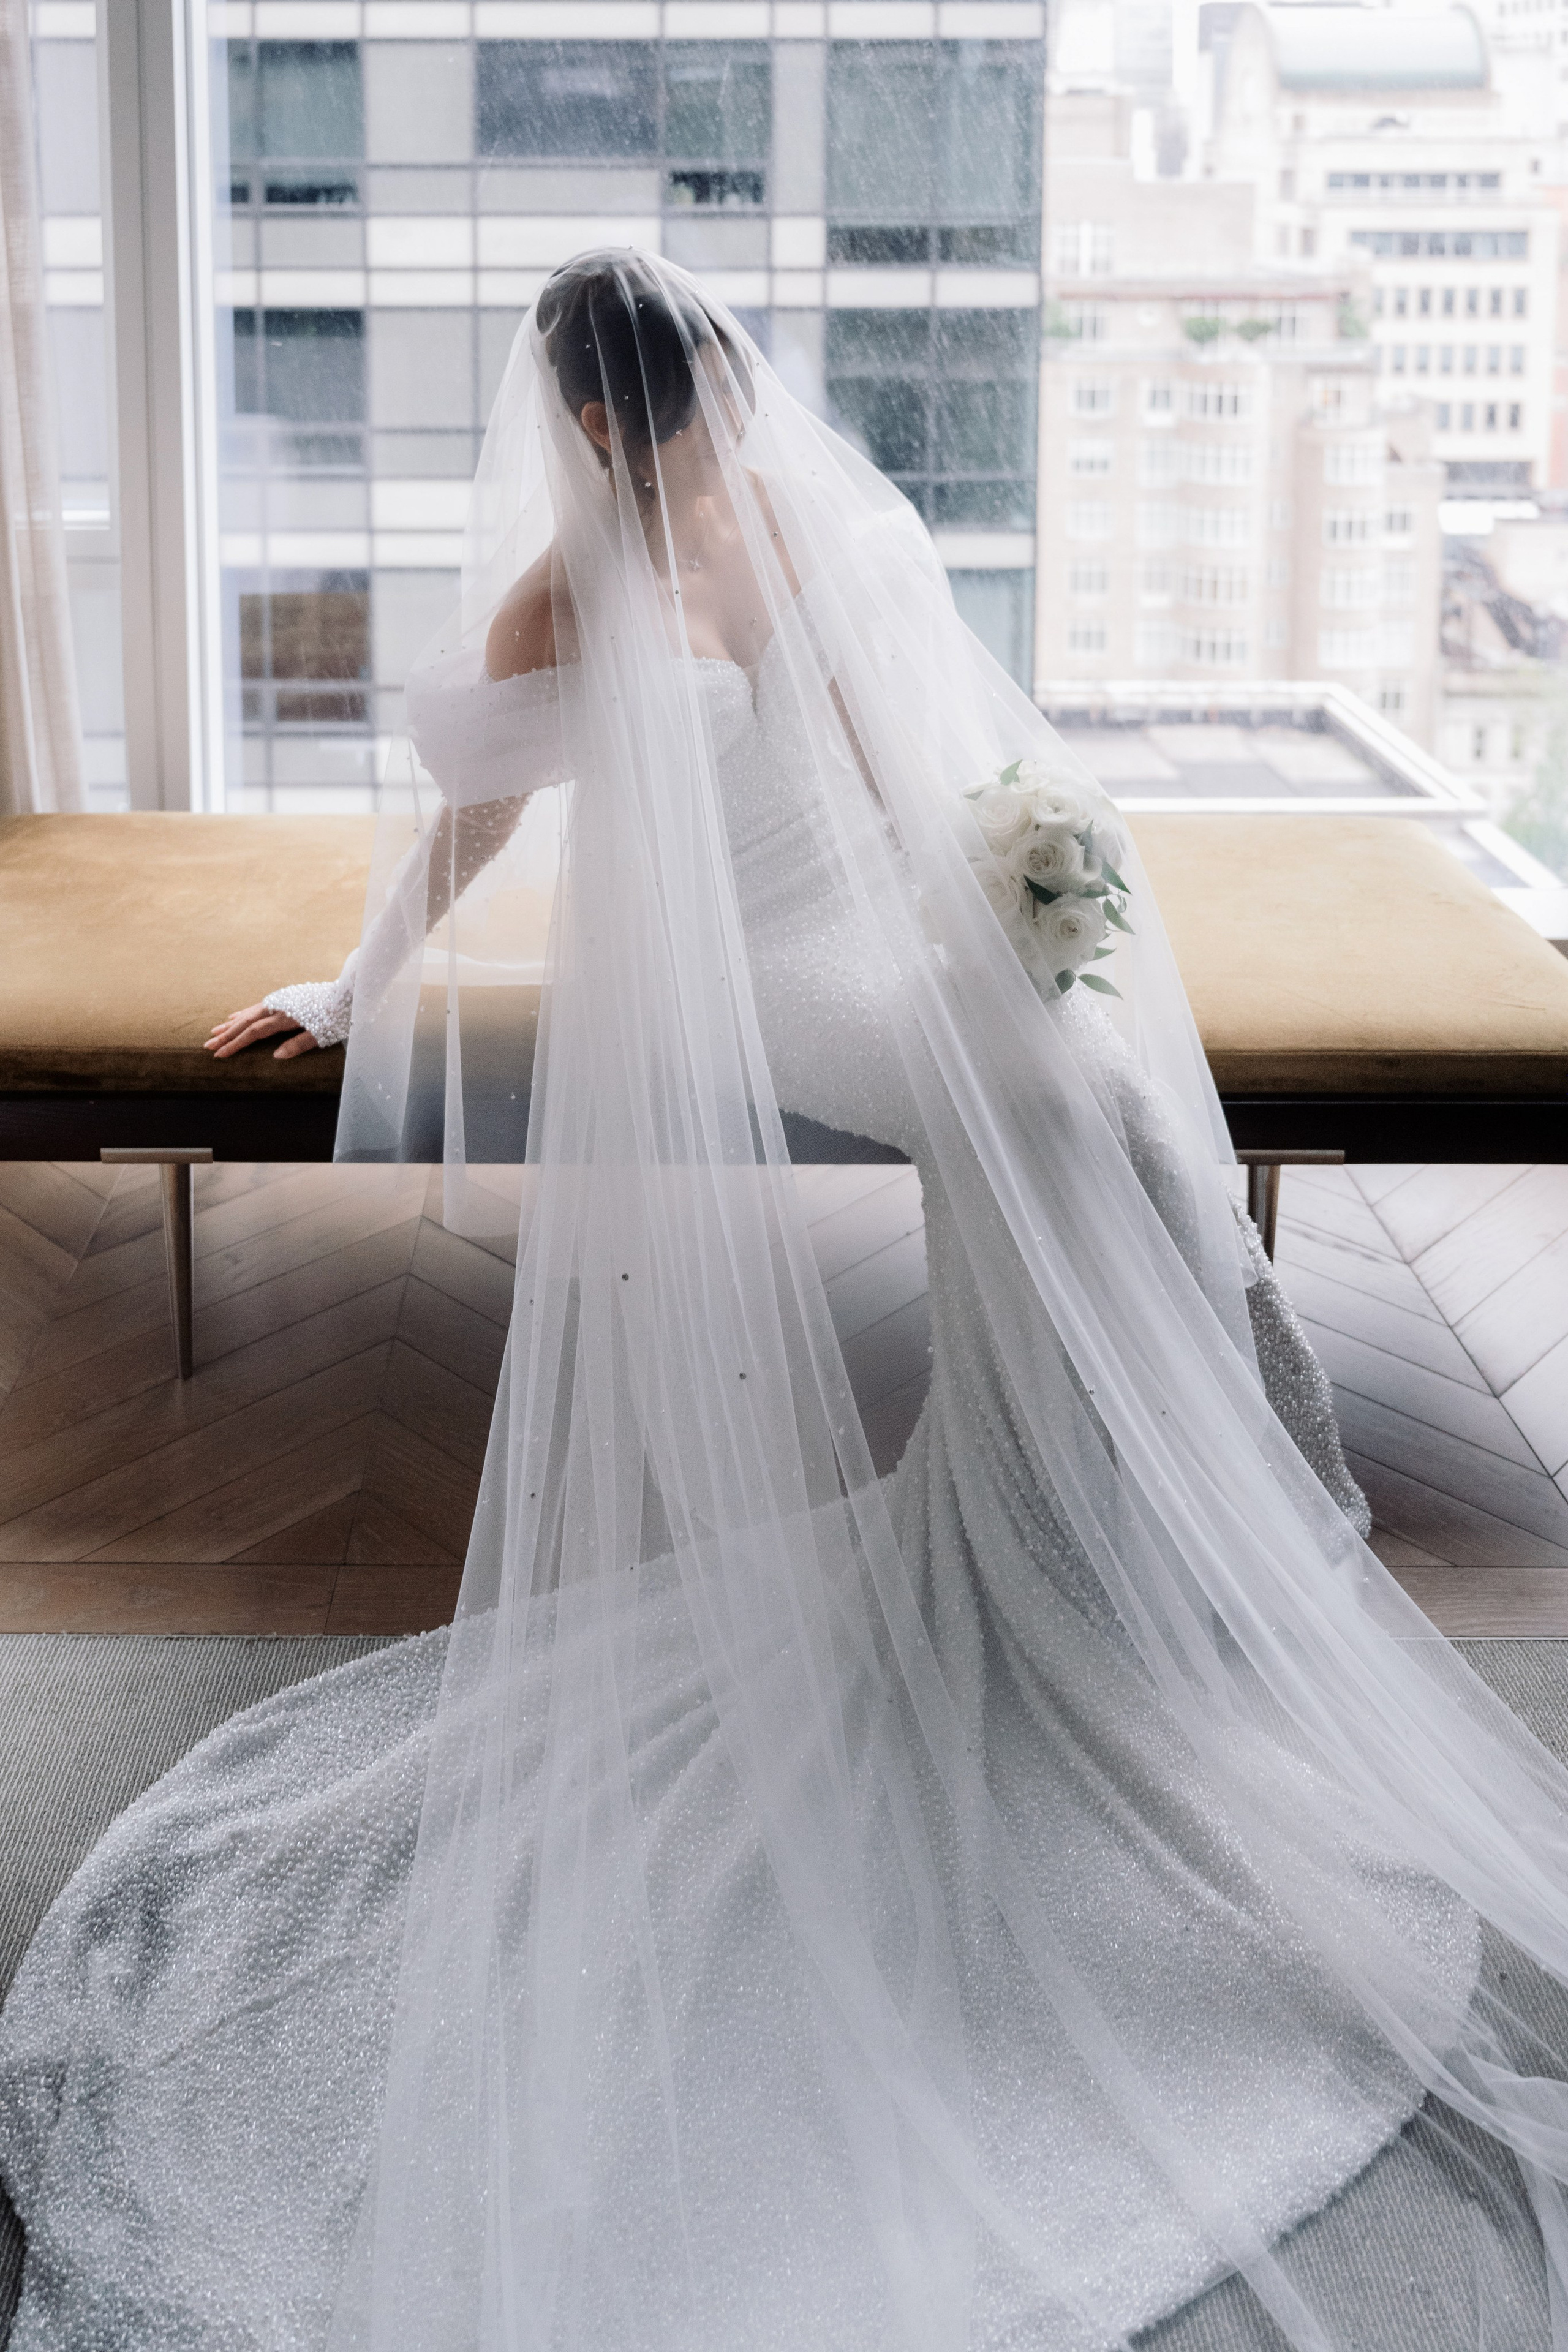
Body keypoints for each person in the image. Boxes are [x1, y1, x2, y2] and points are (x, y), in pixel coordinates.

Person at [4, 252, 1568, 2352]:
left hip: (885, 915)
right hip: (774, 974)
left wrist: (1017, 911)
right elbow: (476, 814)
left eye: (718, 397)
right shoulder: (565, 592)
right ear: (597, 425)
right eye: (677, 411)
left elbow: (899, 761)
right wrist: (354, 986)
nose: (716, 434)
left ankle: (1161, 1533)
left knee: (1094, 1091)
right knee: (1046, 1112)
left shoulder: (785, 520)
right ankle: (1073, 1550)